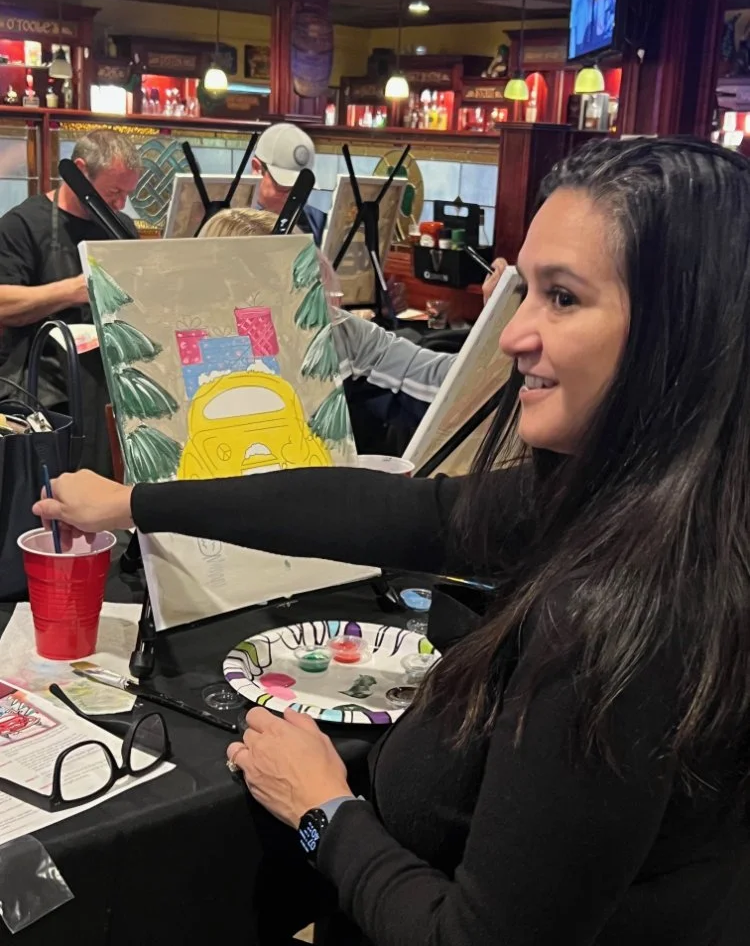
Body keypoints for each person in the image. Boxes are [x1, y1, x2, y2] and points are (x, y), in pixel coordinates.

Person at [42, 136, 750, 946]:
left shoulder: (615, 624)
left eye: (562, 298)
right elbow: (400, 514)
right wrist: (138, 500)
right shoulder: (651, 514)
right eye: (525, 291)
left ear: (679, 334)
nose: (515, 335)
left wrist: (323, 812)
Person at [198, 205, 508, 451]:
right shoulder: (189, 349)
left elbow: (447, 381)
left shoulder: (337, 332)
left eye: (298, 287)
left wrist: (501, 317)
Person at [0, 129, 141, 474]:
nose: (121, 204)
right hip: (44, 392)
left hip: (107, 390)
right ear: (79, 171)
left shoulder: (120, 228)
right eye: (113, 192)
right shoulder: (22, 225)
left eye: (127, 194)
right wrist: (74, 290)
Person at [252, 123, 327, 246]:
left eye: (301, 187)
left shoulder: (317, 222)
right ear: (257, 169)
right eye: (284, 186)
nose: (293, 197)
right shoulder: (236, 226)